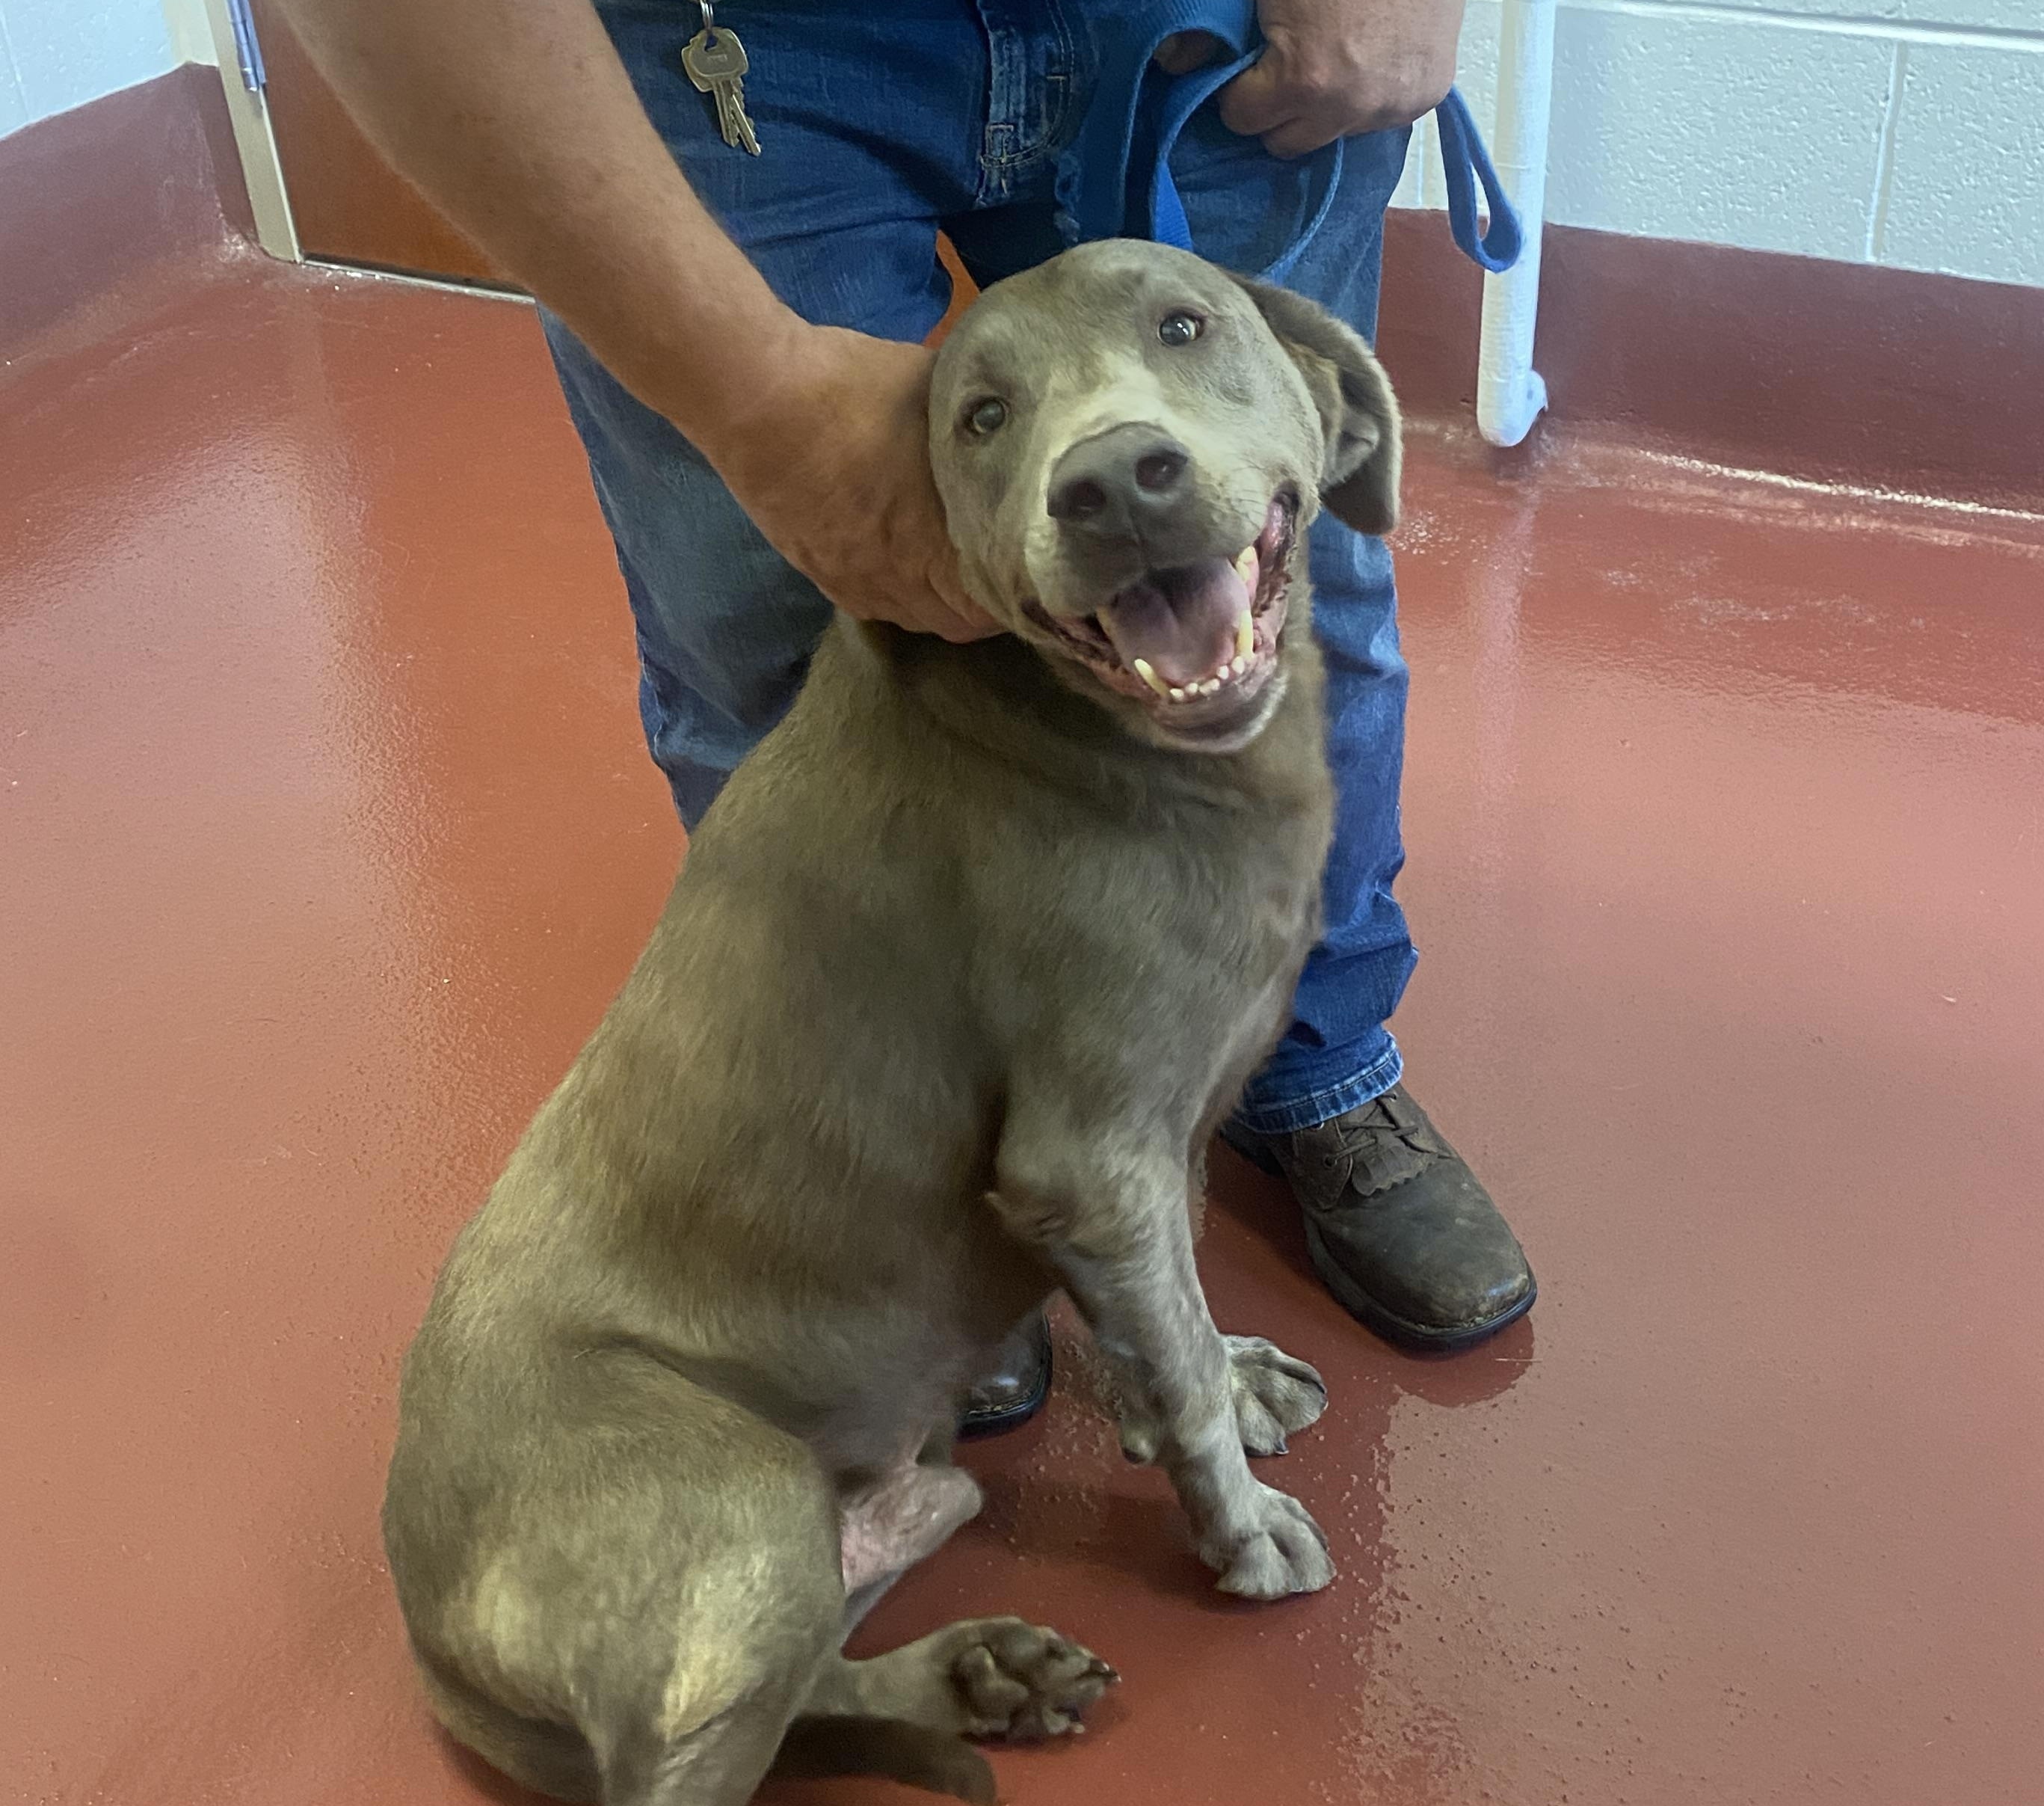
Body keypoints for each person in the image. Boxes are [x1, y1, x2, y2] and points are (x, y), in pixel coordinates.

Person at [279, 0, 1536, 1428]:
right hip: (725, 46)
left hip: (1218, 24)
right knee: (771, 637)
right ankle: (917, 1187)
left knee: (1289, 567)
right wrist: (759, 405)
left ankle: (1320, 1061)